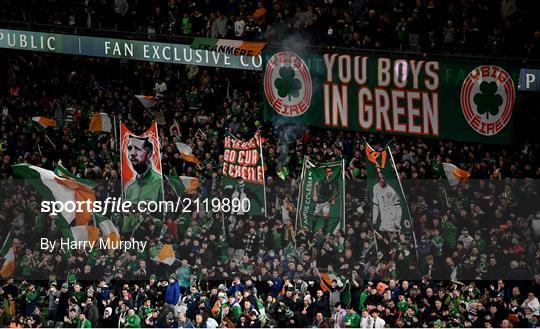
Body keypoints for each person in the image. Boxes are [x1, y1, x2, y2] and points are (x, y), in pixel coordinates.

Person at [124, 136, 163, 203]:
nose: (132, 153)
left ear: (149, 154)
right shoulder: (130, 188)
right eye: (130, 148)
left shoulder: (160, 183)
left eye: (138, 149)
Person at [313, 166, 341, 233]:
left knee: (326, 215)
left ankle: (325, 230)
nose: (329, 173)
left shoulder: (335, 181)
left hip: (328, 201)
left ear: (332, 172)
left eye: (330, 171)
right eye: (327, 172)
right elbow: (315, 185)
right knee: (315, 214)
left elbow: (338, 190)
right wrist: (315, 195)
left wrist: (334, 197)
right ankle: (313, 228)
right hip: (320, 200)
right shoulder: (322, 180)